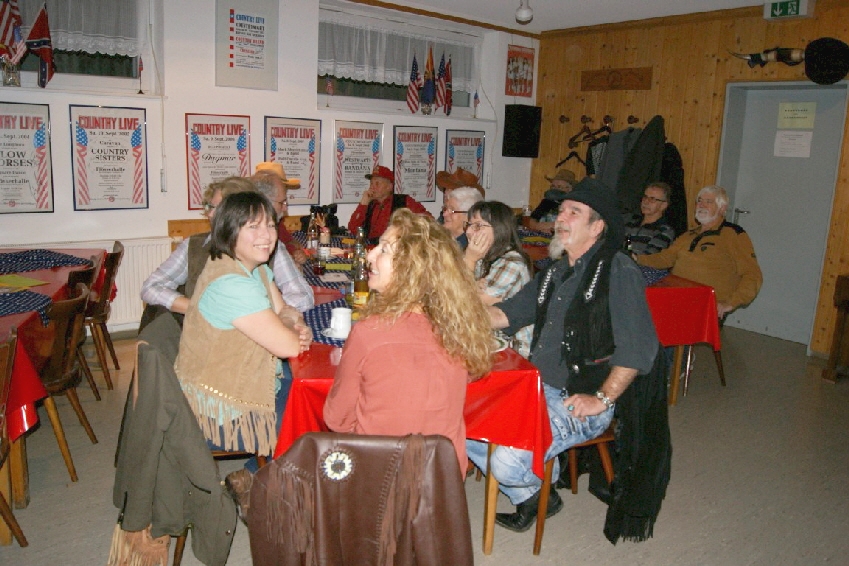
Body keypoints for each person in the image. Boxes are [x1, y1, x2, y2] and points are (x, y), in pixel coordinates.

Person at [467, 177, 670, 542]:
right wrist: (450, 314)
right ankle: (536, 495)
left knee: (507, 460)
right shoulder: (555, 271)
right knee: (462, 424)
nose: (561, 218)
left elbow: (638, 347)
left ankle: (532, 487)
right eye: (561, 211)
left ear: (597, 226)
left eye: (574, 212)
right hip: (533, 387)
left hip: (579, 398)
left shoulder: (617, 270)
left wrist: (602, 399)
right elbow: (505, 314)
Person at [324, 209, 493, 474]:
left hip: (379, 475)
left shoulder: (369, 333)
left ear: (411, 268)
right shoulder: (460, 329)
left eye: (384, 249)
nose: (370, 255)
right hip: (442, 477)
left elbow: (337, 419)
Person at [175, 191, 312, 458]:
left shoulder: (255, 268)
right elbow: (290, 346)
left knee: (311, 398)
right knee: (314, 420)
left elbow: (286, 311)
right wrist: (289, 326)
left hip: (241, 385)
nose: (267, 235)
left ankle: (254, 475)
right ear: (229, 231)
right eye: (253, 227)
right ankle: (259, 475)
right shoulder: (232, 284)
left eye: (270, 225)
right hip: (219, 412)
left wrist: (286, 321)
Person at [140, 177, 314, 326]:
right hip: (202, 336)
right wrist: (199, 308)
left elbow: (302, 296)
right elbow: (151, 287)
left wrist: (258, 313)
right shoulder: (193, 246)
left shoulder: (268, 246)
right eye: (210, 207)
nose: (210, 214)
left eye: (217, 207)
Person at [636, 185, 763, 318]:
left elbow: (752, 275)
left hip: (705, 306)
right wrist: (636, 258)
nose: (701, 205)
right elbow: (665, 258)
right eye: (699, 201)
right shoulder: (688, 235)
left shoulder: (733, 235)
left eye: (708, 202)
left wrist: (730, 303)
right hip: (676, 300)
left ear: (722, 208)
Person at [463, 200, 533, 357]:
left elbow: (466, 307)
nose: (468, 231)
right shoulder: (481, 257)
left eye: (478, 226)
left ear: (499, 229)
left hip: (513, 350)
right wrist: (471, 286)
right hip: (485, 340)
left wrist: (469, 260)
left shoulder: (512, 262)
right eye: (469, 225)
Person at [347, 165, 432, 242]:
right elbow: (353, 229)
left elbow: (428, 221)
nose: (372, 187)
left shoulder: (403, 201)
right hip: (371, 248)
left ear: (389, 187)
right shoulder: (369, 204)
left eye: (377, 183)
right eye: (371, 183)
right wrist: (363, 204)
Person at [252, 162, 308, 266]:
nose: (285, 208)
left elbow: (288, 241)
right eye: (282, 202)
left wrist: (295, 251)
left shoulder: (276, 221)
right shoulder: (252, 231)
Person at [624, 182, 676, 255]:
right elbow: (624, 247)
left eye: (652, 199)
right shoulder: (630, 224)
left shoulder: (665, 231)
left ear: (663, 205)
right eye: (645, 197)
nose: (646, 202)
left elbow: (649, 257)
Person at [526, 169, 576, 233]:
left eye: (559, 187)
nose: (555, 189)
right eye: (553, 186)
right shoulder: (546, 202)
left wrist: (549, 226)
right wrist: (538, 227)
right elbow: (531, 221)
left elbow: (570, 225)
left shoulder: (574, 204)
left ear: (569, 189)